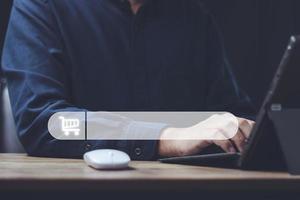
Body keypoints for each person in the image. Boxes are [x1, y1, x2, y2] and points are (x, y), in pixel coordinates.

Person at [2, 0, 255, 160]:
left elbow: (230, 113)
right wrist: (164, 138)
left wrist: (242, 130)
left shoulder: (193, 17)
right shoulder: (41, 6)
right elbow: (47, 122)